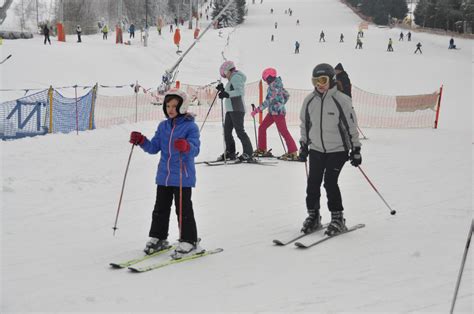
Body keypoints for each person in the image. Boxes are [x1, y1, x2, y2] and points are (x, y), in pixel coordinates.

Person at [129, 88, 203, 257]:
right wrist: (141, 141)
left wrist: (186, 146)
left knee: (183, 209)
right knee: (160, 208)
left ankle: (189, 240)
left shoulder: (190, 127)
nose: (170, 109)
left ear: (183, 106)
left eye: (174, 106)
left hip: (183, 177)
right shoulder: (163, 127)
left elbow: (195, 149)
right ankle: (159, 238)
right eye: (168, 105)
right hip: (164, 176)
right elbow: (154, 147)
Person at [299, 63, 361, 236]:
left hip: (338, 150)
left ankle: (338, 218)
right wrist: (304, 144)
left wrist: (356, 149)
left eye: (323, 80)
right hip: (317, 149)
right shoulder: (309, 100)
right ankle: (313, 216)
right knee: (313, 183)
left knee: (330, 182)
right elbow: (305, 124)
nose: (319, 84)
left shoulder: (341, 100)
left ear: (332, 80)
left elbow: (351, 127)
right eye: (315, 80)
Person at [251, 68, 298, 160]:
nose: (266, 81)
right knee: (262, 127)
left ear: (269, 77)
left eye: (265, 79)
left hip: (278, 113)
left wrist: (257, 110)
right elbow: (287, 95)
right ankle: (262, 149)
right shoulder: (278, 85)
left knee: (283, 131)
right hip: (273, 112)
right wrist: (281, 103)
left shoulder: (273, 87)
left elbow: (268, 101)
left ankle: (293, 152)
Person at [215, 61, 255, 162]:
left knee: (240, 131)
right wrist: (223, 90)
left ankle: (248, 152)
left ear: (228, 70)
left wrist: (226, 93)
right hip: (231, 110)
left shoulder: (236, 77)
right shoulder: (231, 79)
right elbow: (230, 91)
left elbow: (240, 91)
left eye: (225, 74)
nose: (225, 76)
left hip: (237, 109)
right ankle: (230, 152)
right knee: (227, 132)